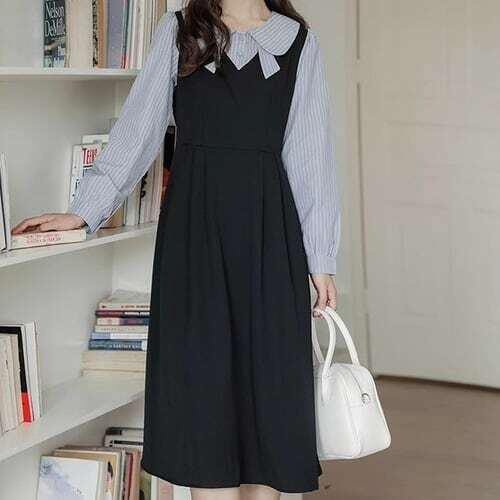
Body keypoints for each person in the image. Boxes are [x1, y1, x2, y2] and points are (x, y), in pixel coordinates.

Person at [12, 1, 340, 498]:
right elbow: (137, 131)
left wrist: (321, 260)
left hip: (271, 241)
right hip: (194, 238)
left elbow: (311, 158)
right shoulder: (181, 29)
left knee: (269, 392)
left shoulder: (298, 42)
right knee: (201, 389)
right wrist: (84, 211)